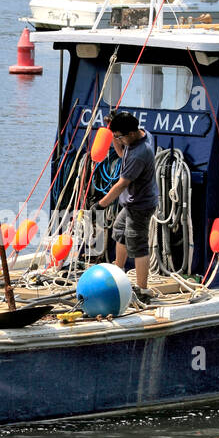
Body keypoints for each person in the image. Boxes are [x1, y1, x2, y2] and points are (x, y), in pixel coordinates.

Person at [94, 112, 159, 301]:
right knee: (120, 230)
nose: (117, 140)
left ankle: (142, 290)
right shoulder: (142, 134)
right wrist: (114, 131)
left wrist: (101, 205)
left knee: (138, 245)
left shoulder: (140, 154)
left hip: (140, 205)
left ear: (130, 134)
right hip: (131, 203)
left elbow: (122, 184)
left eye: (119, 136)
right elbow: (122, 153)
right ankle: (118, 273)